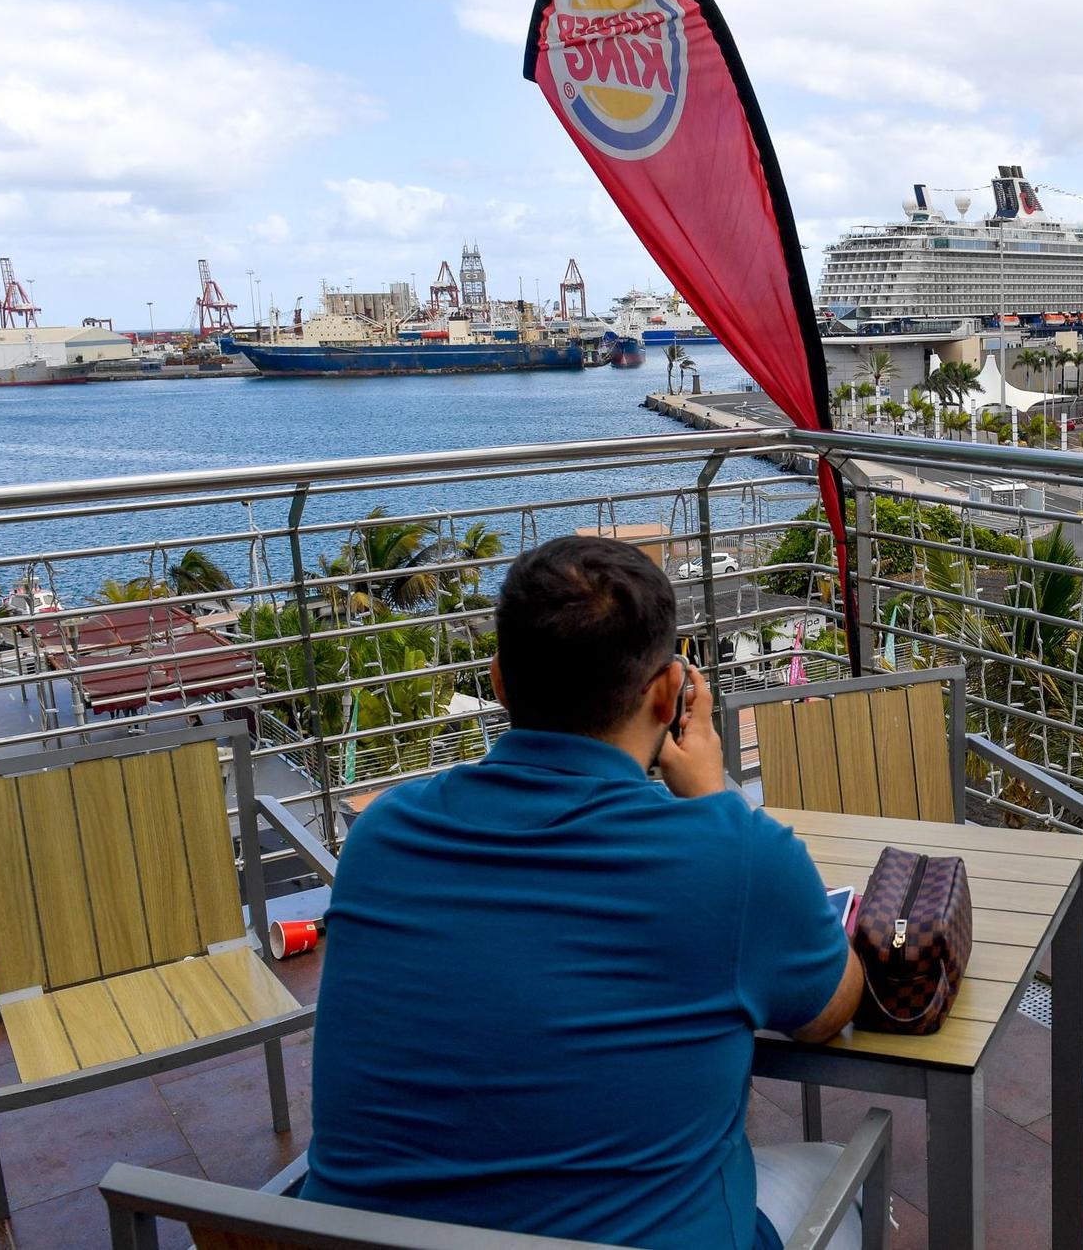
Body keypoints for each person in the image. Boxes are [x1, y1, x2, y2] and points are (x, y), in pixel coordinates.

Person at [302, 535, 864, 1250]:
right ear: (669, 694)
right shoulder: (736, 854)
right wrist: (713, 799)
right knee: (833, 1173)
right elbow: (829, 1010)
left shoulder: (381, 838)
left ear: (500, 682)